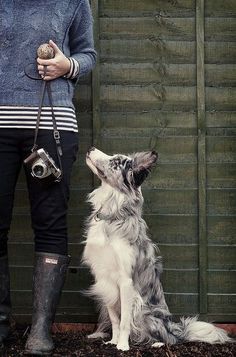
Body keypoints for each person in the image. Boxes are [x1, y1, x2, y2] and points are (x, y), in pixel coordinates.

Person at [0, 0, 96, 355]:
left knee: (51, 223)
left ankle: (41, 330)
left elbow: (89, 54)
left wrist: (67, 65)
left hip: (52, 123)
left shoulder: (72, 1)